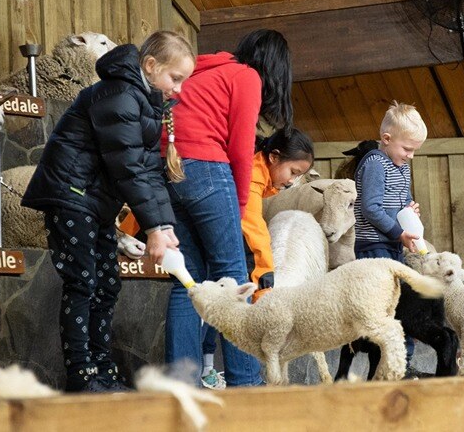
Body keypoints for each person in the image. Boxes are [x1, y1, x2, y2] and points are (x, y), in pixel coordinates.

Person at [21, 31, 195, 392]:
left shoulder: (145, 102)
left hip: (94, 200)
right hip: (71, 194)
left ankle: (102, 369)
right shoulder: (118, 95)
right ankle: (82, 376)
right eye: (174, 78)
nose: (178, 89)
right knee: (83, 282)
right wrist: (151, 229)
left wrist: (164, 224)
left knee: (107, 284)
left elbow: (148, 170)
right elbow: (128, 167)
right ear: (150, 65)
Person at [164, 29, 293, 387]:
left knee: (185, 282)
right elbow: (241, 149)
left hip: (169, 168)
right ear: (276, 67)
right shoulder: (246, 76)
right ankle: (245, 382)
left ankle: (180, 383)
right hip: (207, 168)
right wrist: (237, 207)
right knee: (234, 274)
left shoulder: (204, 71)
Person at [200, 128, 314, 389]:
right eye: (293, 172)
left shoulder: (256, 175)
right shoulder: (250, 177)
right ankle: (246, 381)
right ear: (274, 157)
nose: (292, 181)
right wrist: (265, 284)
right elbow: (254, 233)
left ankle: (207, 369)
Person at [353, 102, 427, 373]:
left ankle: (402, 363)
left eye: (414, 151)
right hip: (374, 245)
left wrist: (410, 210)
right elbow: (370, 207)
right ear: (386, 139)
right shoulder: (375, 163)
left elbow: (402, 199)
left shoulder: (401, 165)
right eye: (407, 149)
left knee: (400, 302)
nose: (410, 156)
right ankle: (388, 365)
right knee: (384, 307)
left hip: (394, 243)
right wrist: (398, 231)